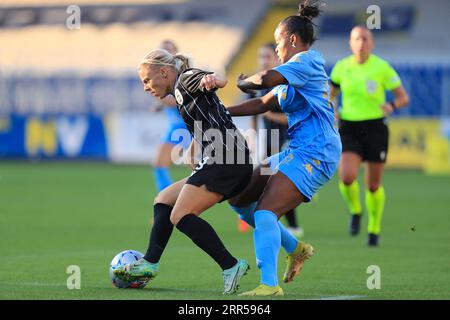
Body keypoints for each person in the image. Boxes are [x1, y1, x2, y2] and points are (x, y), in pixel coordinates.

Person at [114, 49, 254, 294]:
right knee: (164, 200)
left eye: (147, 80)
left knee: (180, 215)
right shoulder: (180, 93)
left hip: (227, 159)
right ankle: (150, 262)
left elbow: (217, 79)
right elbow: (210, 117)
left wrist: (215, 80)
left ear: (164, 72)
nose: (146, 87)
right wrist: (193, 146)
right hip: (223, 159)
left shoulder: (187, 78)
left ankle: (230, 265)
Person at [226, 0, 342, 296]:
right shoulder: (292, 77)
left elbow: (263, 80)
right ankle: (296, 248)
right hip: (297, 151)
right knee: (240, 199)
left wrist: (243, 82)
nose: (276, 50)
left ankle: (269, 285)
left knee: (265, 212)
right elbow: (263, 102)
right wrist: (222, 110)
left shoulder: (307, 60)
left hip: (317, 154)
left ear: (291, 40)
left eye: (278, 43)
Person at [329, 26, 409, 246]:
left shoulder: (382, 67)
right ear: (350, 42)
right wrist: (331, 106)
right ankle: (356, 210)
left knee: (373, 186)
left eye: (365, 39)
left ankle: (374, 228)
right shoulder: (342, 67)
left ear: (371, 43)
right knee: (346, 176)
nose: (361, 43)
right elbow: (331, 92)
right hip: (349, 127)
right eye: (356, 39)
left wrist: (392, 104)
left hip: (375, 127)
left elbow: (403, 97)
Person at [248, 42, 303, 238]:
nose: (263, 60)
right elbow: (253, 113)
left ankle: (293, 226)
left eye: (267, 56)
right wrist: (253, 137)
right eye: (261, 56)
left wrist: (269, 114)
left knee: (278, 183)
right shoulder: (256, 82)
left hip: (288, 140)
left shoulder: (283, 82)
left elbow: (292, 118)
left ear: (276, 58)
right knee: (268, 181)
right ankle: (270, 221)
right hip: (270, 141)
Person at [151, 40, 191, 192]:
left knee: (161, 164)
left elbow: (177, 100)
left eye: (167, 50)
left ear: (175, 54)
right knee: (160, 164)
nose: (163, 53)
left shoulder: (180, 74)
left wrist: (156, 92)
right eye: (161, 50)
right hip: (178, 126)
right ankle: (169, 203)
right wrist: (159, 104)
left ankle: (169, 203)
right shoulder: (165, 74)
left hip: (186, 126)